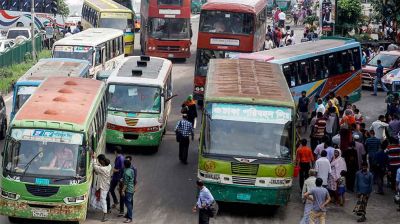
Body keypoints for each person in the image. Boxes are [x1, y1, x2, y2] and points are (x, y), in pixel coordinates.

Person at [93, 154, 112, 222]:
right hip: (105, 185)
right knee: (103, 199)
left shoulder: (103, 169)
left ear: (101, 161)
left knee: (103, 199)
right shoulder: (109, 166)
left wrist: (94, 159)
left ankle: (105, 215)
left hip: (104, 186)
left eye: (99, 161)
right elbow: (98, 169)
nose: (99, 162)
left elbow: (95, 167)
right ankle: (105, 211)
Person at [107, 147, 125, 216]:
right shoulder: (118, 157)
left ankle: (122, 210)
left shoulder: (120, 159)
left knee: (121, 194)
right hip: (115, 177)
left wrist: (115, 170)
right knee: (111, 189)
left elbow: (121, 169)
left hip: (119, 179)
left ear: (115, 151)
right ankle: (115, 201)